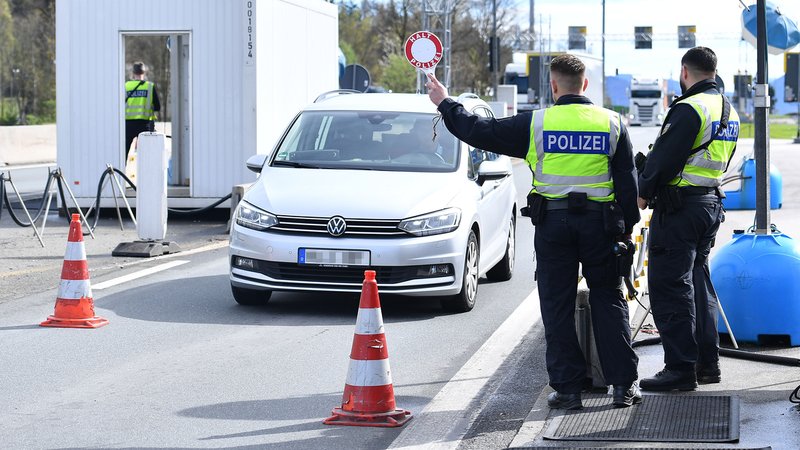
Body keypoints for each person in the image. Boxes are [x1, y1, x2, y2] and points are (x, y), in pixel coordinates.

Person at [426, 54, 641, 409]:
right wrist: (626, 230)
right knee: (608, 298)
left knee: (556, 304)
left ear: (553, 86)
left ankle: (569, 390)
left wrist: (445, 103)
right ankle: (621, 386)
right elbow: (627, 185)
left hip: (554, 226)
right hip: (600, 226)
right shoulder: (612, 123)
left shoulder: (537, 123)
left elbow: (479, 131)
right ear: (584, 85)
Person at [637, 47, 739, 392]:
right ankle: (707, 364)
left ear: (685, 71)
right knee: (698, 285)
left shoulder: (689, 107)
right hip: (710, 204)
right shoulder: (729, 109)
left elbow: (663, 159)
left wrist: (643, 189)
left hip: (680, 210)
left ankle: (679, 368)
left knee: (670, 286)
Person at [124, 61, 160, 159]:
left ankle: (120, 173)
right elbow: (157, 107)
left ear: (133, 73)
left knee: (123, 154)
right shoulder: (149, 86)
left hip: (128, 125)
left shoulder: (126, 86)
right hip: (144, 125)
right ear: (143, 73)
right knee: (147, 155)